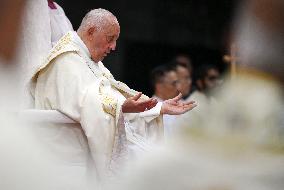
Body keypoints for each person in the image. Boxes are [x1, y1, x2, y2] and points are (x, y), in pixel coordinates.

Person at [31, 8, 196, 186]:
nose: (114, 47)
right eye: (110, 39)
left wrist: (158, 107)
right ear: (91, 31)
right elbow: (88, 102)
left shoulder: (90, 61)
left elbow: (113, 96)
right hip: (67, 159)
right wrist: (122, 106)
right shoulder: (66, 61)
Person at [150, 64, 181, 137]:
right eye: (174, 83)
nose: (178, 88)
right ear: (159, 86)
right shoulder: (152, 110)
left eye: (178, 83)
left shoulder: (181, 104)